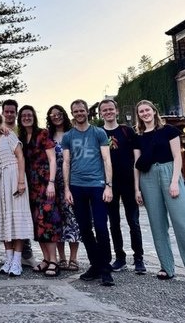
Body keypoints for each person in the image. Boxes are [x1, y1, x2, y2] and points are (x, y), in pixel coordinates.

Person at [62, 99, 115, 286]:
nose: (79, 113)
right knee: (84, 228)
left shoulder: (98, 132)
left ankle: (106, 267)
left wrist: (108, 186)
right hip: (77, 186)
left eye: (82, 110)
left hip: (97, 185)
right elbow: (66, 162)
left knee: (101, 226)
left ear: (87, 112)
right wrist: (67, 188)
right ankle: (95, 265)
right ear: (72, 114)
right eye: (75, 111)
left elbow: (107, 160)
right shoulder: (68, 136)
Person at [134, 100, 185, 280]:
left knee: (181, 221)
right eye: (141, 111)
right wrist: (137, 189)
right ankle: (167, 266)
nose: (145, 113)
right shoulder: (138, 136)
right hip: (148, 177)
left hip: (169, 171)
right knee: (157, 223)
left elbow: (177, 156)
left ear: (154, 111)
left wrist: (174, 182)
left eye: (147, 110)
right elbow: (136, 165)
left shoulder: (169, 130)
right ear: (138, 115)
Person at [0, 108, 31, 277]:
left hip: (14, 176)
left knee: (17, 220)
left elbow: (20, 156)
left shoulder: (8, 135)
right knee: (4, 219)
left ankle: (17, 261)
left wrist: (21, 181)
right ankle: (8, 258)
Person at [98, 99, 145, 274]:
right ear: (101, 113)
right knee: (114, 223)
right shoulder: (98, 132)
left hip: (128, 182)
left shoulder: (127, 131)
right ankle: (120, 257)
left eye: (111, 109)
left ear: (116, 111)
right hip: (109, 184)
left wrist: (137, 187)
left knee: (133, 221)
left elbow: (136, 160)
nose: (108, 112)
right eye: (105, 110)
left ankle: (138, 258)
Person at [18, 105, 61, 278]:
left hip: (45, 184)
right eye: (24, 115)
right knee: (37, 223)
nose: (27, 118)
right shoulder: (21, 137)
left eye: (29, 115)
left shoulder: (43, 133)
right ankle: (45, 259)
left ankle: (54, 261)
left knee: (48, 222)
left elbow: (52, 159)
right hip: (31, 186)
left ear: (34, 117)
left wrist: (51, 182)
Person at [2, 98, 37, 269]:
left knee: (22, 216)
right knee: (9, 216)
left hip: (27, 176)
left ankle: (26, 253)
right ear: (3, 113)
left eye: (12, 112)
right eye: (6, 111)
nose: (9, 114)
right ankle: (14, 256)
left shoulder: (20, 130)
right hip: (7, 178)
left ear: (16, 113)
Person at [46, 105, 81, 272]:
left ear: (64, 115)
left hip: (72, 181)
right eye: (52, 115)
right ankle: (61, 257)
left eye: (59, 114)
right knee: (57, 219)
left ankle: (74, 258)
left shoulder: (73, 133)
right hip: (53, 183)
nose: (56, 117)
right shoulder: (47, 135)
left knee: (73, 219)